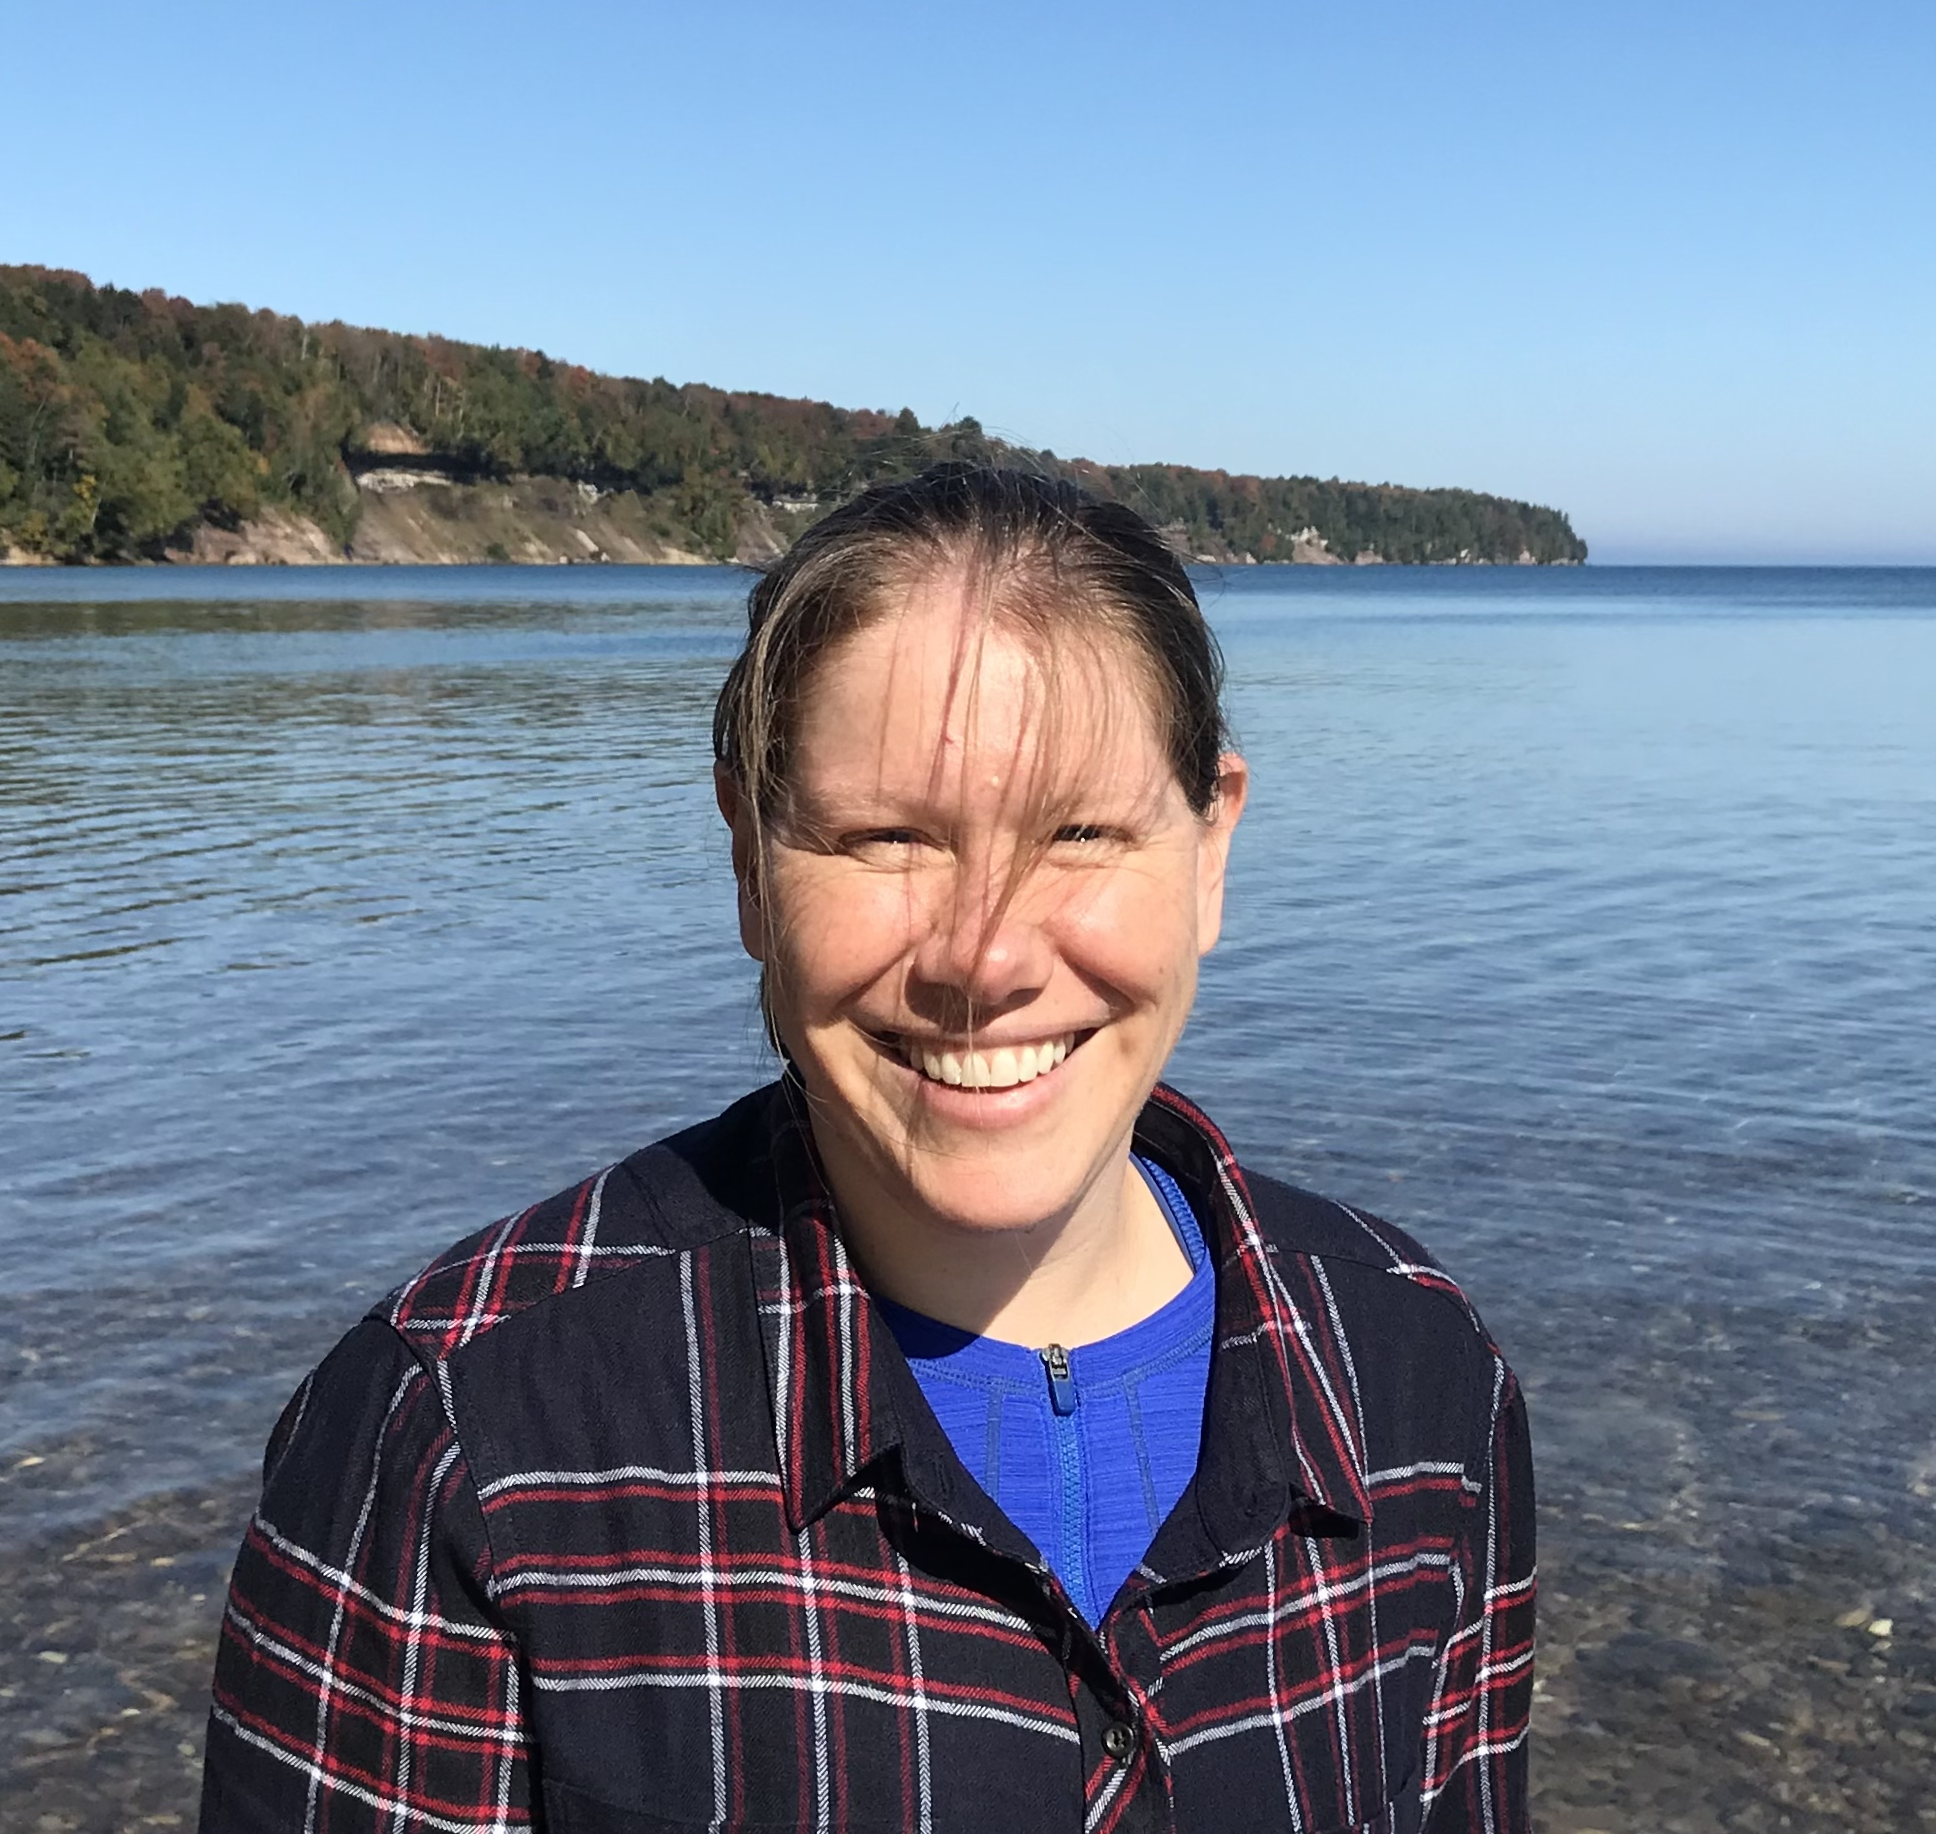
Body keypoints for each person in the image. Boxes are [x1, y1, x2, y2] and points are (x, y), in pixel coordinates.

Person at [199, 464, 1534, 1833]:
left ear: (1208, 850)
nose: (985, 958)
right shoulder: (471, 1439)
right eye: (888, 837)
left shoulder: (1416, 1383)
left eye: (1081, 833)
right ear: (748, 861)